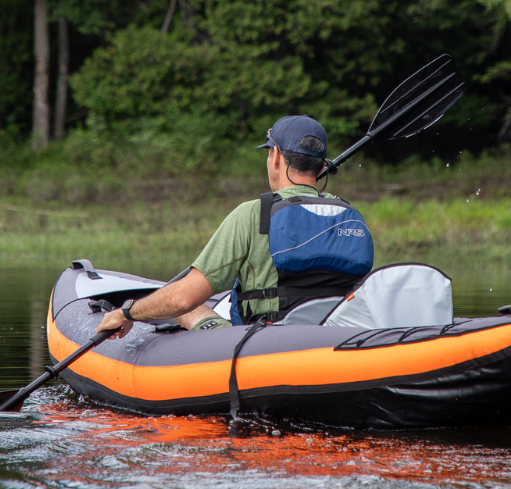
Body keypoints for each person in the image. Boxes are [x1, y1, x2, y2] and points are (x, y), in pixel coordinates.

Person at [95, 115, 373, 340]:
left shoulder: (252, 214)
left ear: (275, 156)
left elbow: (182, 299)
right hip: (335, 344)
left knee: (192, 310)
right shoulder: (350, 215)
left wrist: (128, 312)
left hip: (266, 350)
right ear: (322, 166)